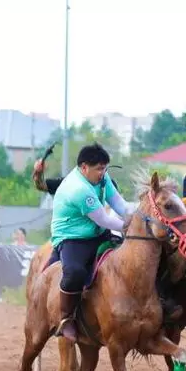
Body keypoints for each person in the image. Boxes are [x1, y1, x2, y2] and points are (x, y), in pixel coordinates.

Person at [46, 143, 130, 343]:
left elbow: (119, 204)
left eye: (105, 168)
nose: (103, 173)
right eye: (99, 169)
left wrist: (139, 219)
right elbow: (104, 219)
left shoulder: (101, 176)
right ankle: (66, 319)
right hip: (71, 237)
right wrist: (130, 228)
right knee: (75, 272)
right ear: (84, 167)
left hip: (98, 233)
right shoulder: (78, 189)